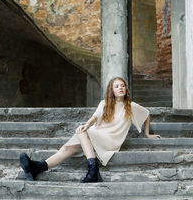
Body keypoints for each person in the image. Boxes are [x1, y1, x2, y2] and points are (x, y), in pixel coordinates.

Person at [19, 76, 162, 183]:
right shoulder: (104, 104)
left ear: (126, 89)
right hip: (96, 134)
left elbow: (147, 114)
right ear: (111, 90)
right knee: (67, 149)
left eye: (122, 86)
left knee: (82, 133)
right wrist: (86, 125)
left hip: (110, 140)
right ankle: (37, 168)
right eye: (117, 86)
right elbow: (95, 117)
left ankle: (93, 170)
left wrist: (148, 134)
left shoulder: (132, 106)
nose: (120, 88)